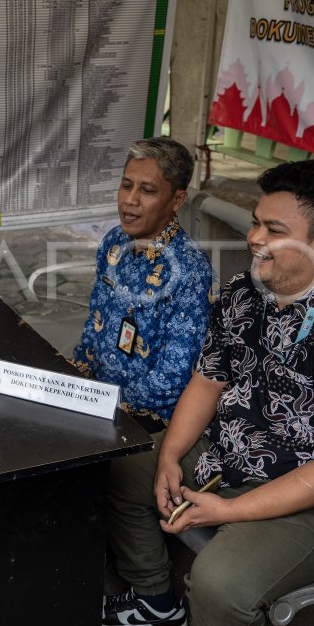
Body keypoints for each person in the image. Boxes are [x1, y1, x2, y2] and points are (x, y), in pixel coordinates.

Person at [102, 158, 314, 626]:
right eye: (255, 222)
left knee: (221, 583)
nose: (253, 238)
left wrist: (227, 512)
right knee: (123, 467)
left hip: (309, 491)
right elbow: (208, 380)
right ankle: (156, 602)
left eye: (274, 230)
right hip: (227, 453)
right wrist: (171, 457)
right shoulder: (246, 293)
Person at [73, 137, 213, 432]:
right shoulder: (114, 242)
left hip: (145, 417)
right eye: (126, 185)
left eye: (147, 190)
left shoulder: (190, 269)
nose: (130, 200)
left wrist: (104, 404)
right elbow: (94, 321)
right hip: (95, 395)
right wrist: (75, 377)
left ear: (177, 200)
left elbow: (173, 378)